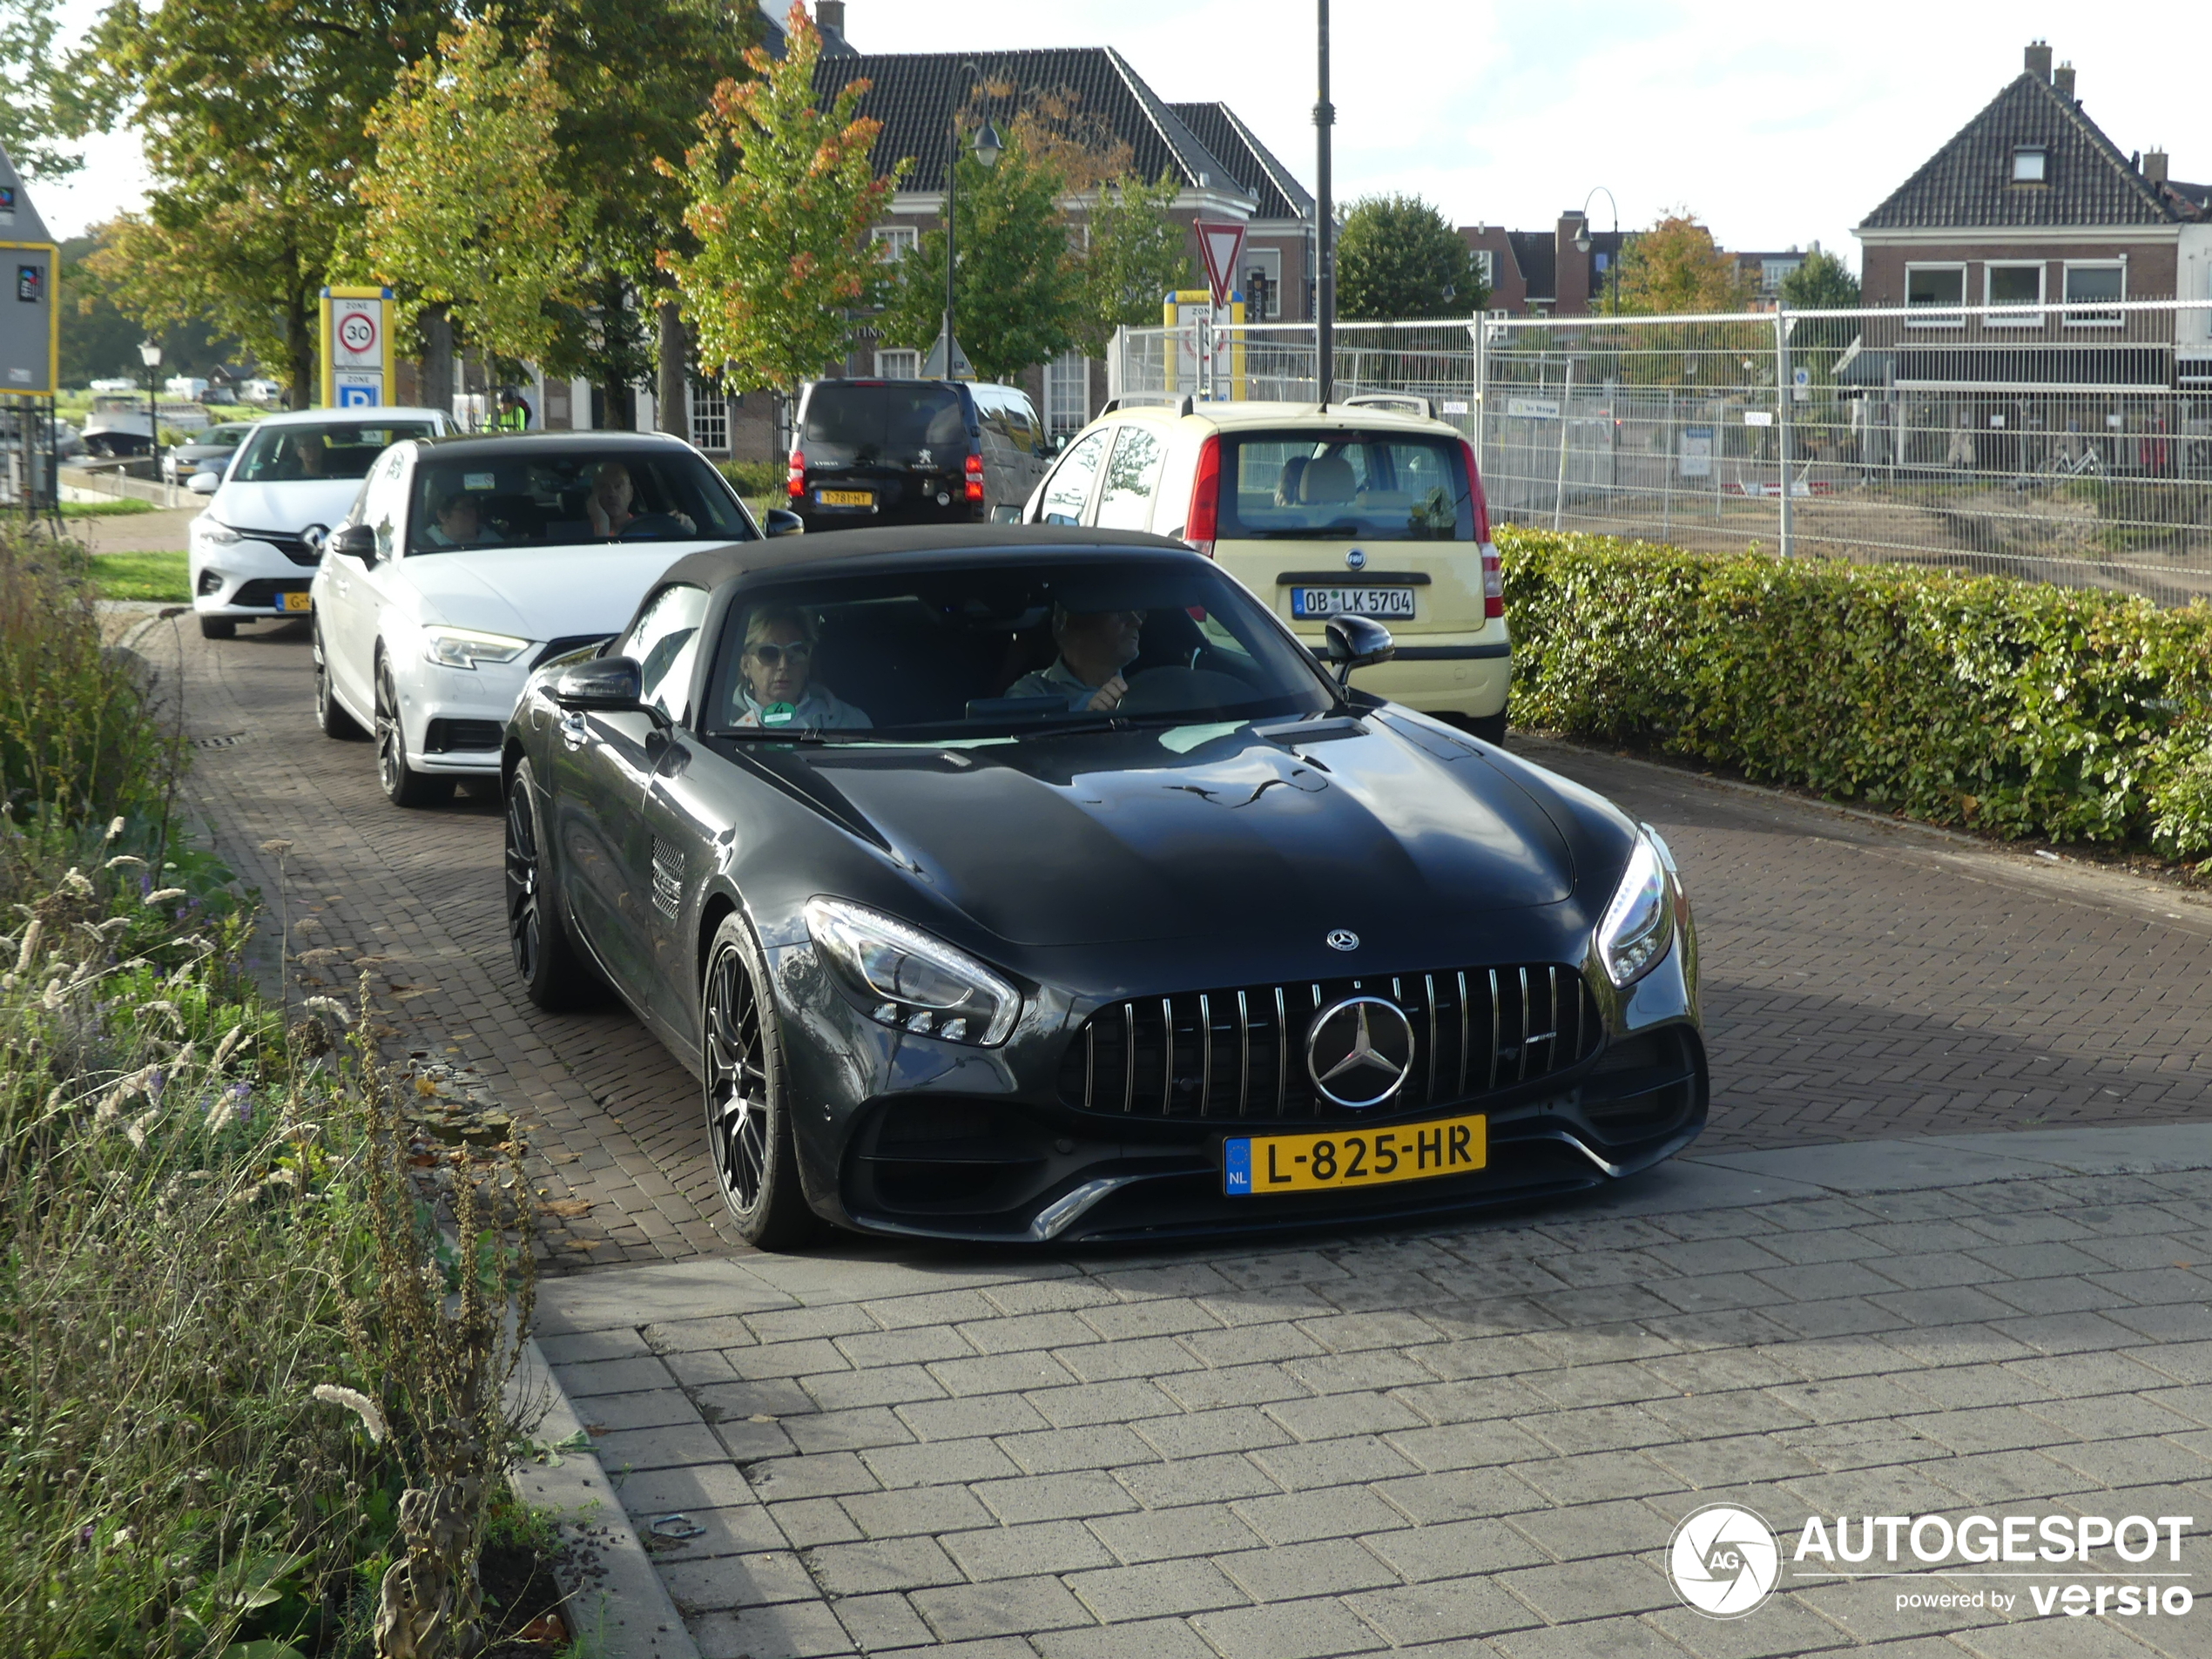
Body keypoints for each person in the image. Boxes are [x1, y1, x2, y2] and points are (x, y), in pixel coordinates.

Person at [729, 606, 870, 731]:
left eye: (796, 651)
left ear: (808, 662)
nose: (783, 665)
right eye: (769, 653)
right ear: (745, 665)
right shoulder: (720, 723)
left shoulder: (850, 721)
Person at [1005, 605, 1144, 712]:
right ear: (1074, 623)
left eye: (1138, 614)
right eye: (1122, 613)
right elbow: (1030, 748)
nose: (1137, 622)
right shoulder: (1031, 695)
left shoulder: (1146, 688)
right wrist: (1090, 725)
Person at [585, 459, 695, 537]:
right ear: (593, 494)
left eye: (618, 486)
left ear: (631, 493)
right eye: (603, 487)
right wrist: (602, 527)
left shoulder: (652, 528)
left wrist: (687, 528)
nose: (612, 493)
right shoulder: (578, 535)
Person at [421, 489, 503, 549]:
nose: (473, 514)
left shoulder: (493, 541)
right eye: (465, 509)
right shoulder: (424, 545)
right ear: (442, 516)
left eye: (474, 507)